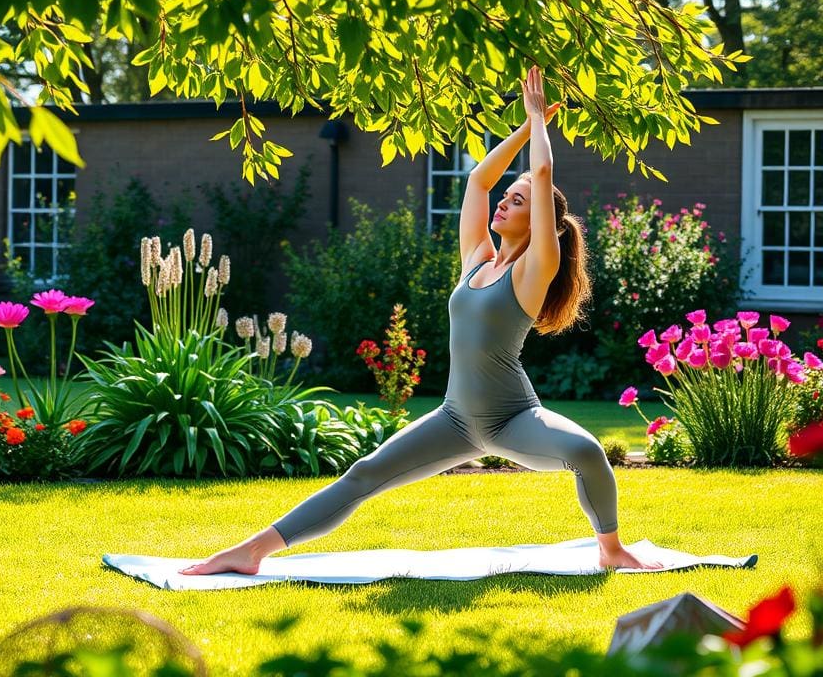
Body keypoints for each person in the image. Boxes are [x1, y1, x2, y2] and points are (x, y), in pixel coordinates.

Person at [181, 66, 662, 576]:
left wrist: (539, 121)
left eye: (517, 200)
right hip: (455, 418)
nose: (505, 199)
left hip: (512, 419)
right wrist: (522, 132)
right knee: (365, 473)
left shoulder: (533, 270)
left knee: (587, 451)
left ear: (538, 219)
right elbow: (478, 180)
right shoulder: (478, 258)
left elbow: (542, 177)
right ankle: (251, 551)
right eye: (509, 195)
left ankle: (612, 549)